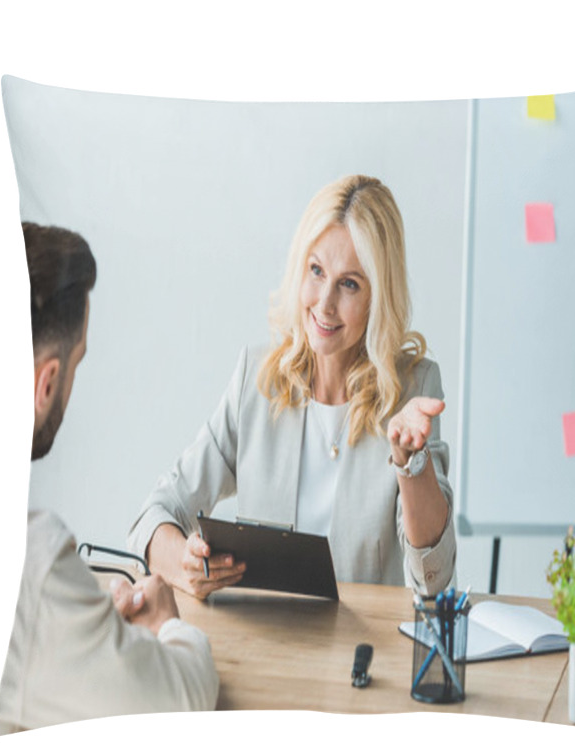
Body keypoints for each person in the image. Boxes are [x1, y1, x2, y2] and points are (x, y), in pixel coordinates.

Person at [128, 175, 456, 599]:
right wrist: (184, 563)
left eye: (350, 284)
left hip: (364, 654)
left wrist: (411, 463)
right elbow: (154, 514)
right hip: (267, 646)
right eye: (316, 271)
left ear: (379, 297)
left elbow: (434, 576)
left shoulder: (413, 388)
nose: (324, 303)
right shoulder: (258, 378)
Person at [0, 223, 219, 735]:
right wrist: (168, 625)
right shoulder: (29, 565)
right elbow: (179, 704)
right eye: (77, 363)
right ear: (45, 381)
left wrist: (88, 630)